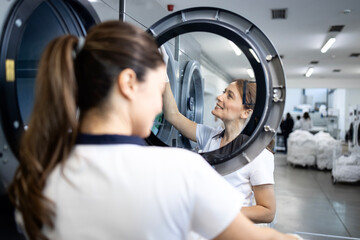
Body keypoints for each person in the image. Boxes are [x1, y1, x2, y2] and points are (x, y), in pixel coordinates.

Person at [7, 21, 300, 240]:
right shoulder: (180, 171)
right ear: (129, 83)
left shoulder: (36, 174)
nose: (158, 103)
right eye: (159, 85)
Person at [163, 78, 276, 225]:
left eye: (229, 96)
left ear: (246, 112)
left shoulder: (258, 154)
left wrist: (217, 212)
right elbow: (173, 115)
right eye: (224, 92)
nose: (219, 97)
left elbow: (267, 212)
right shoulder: (210, 136)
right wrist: (164, 76)